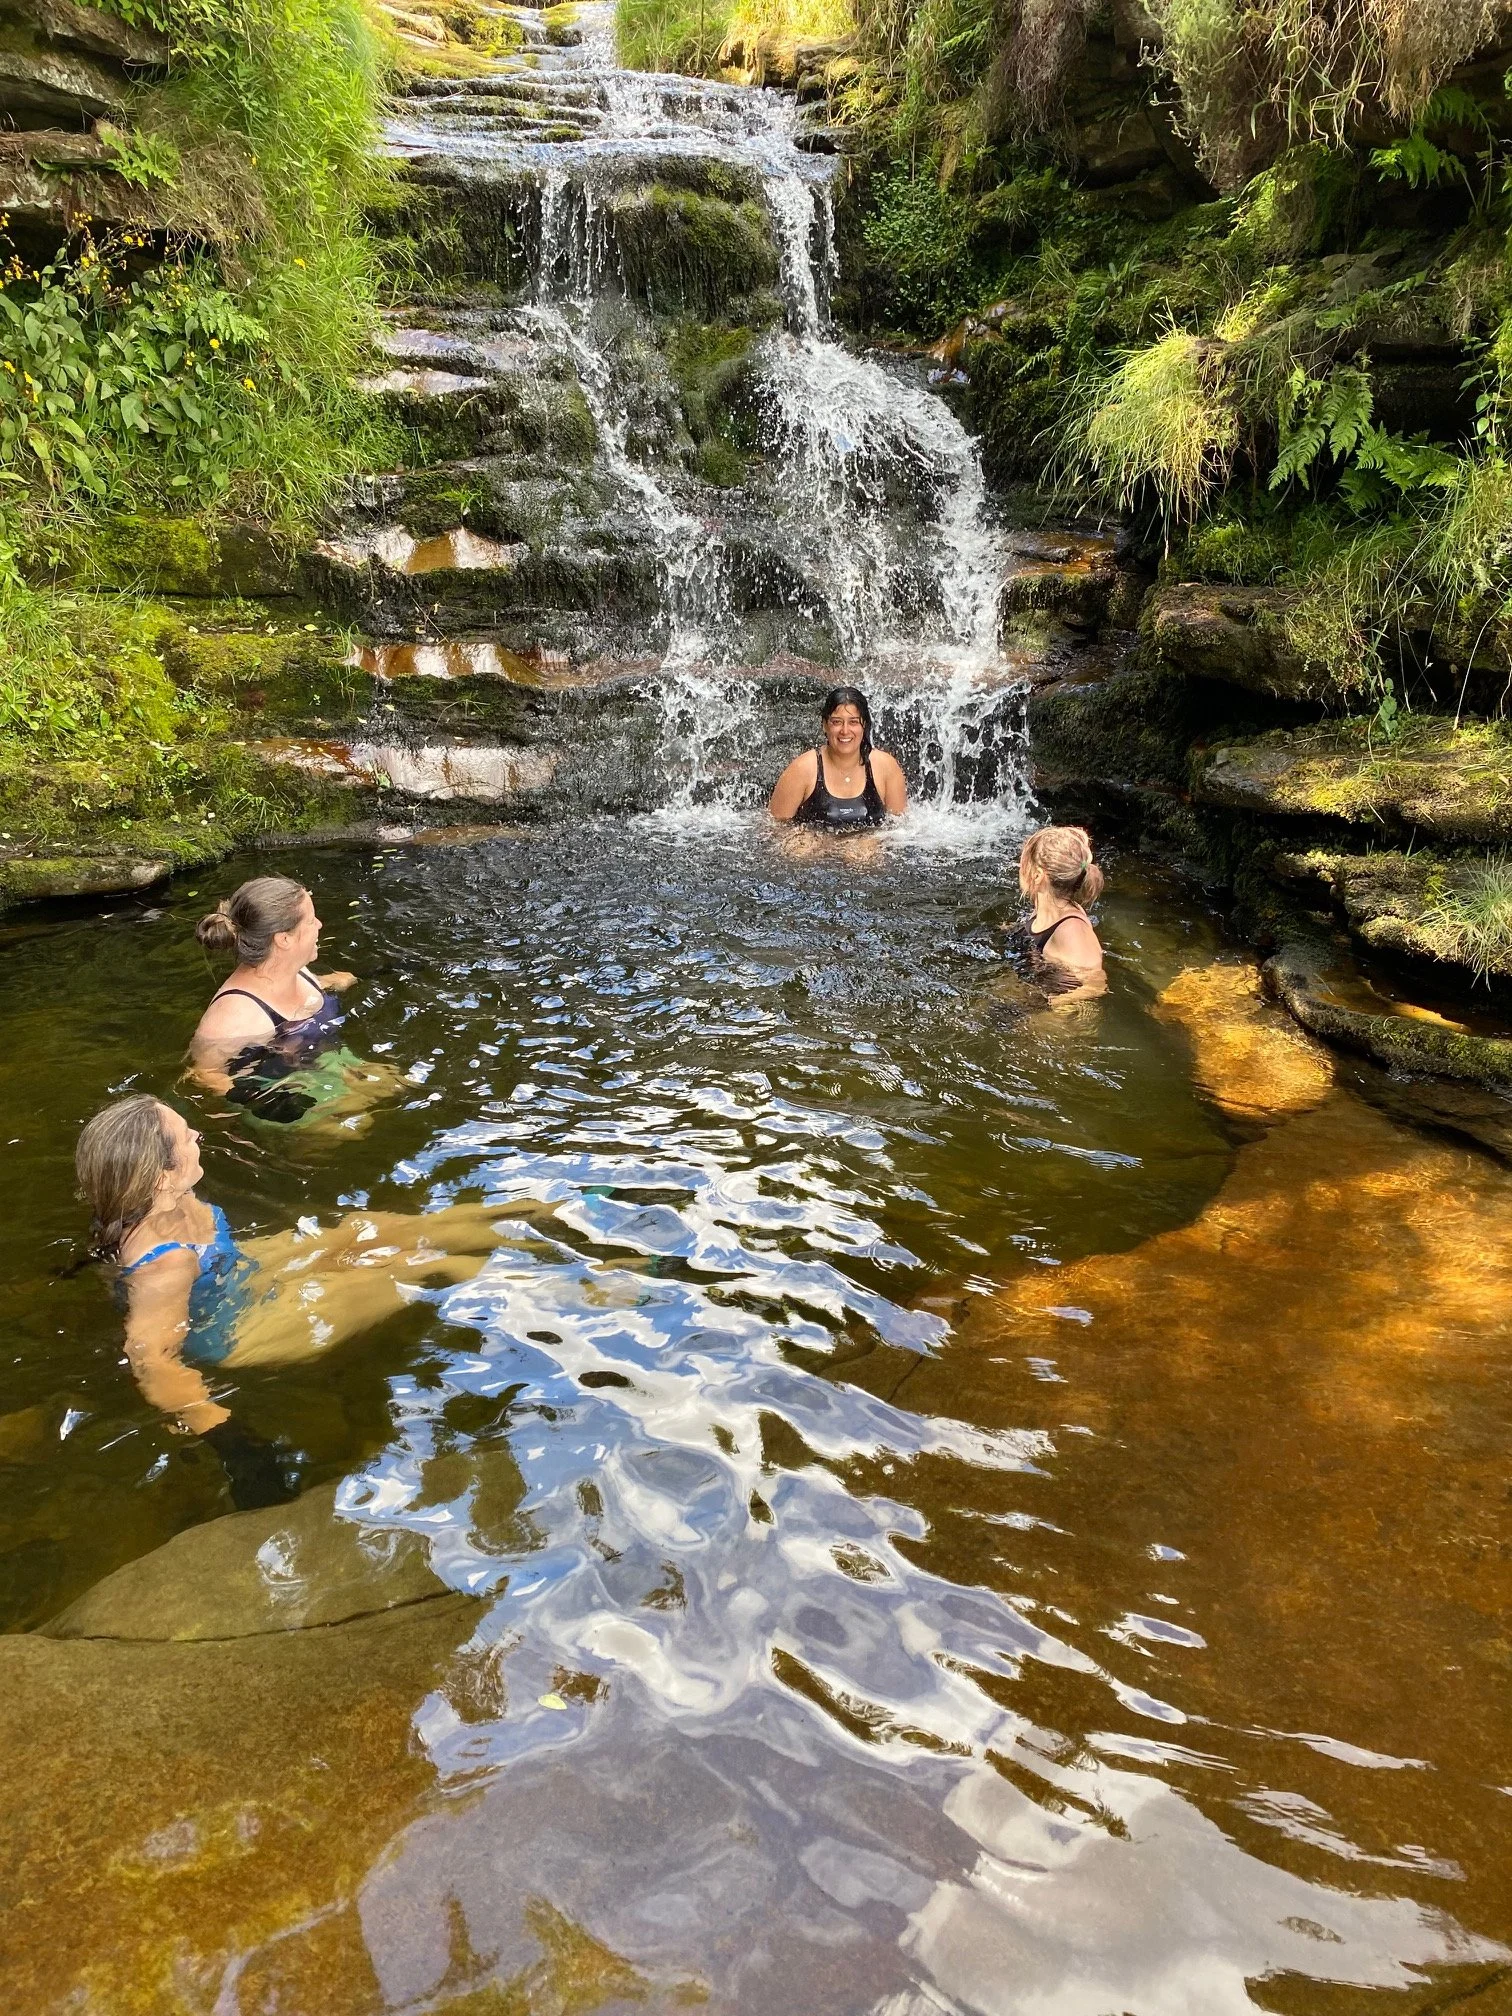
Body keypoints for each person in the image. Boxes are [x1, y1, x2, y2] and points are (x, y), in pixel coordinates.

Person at [76, 1095, 506, 1505]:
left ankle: (521, 1215)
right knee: (406, 1269)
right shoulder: (164, 1265)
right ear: (161, 1177)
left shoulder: (163, 1196)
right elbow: (150, 1359)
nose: (197, 1137)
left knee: (365, 1230)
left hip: (235, 1270)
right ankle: (520, 1272)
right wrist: (233, 1443)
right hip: (237, 1329)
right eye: (187, 1137)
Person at [188, 876, 382, 1126]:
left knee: (398, 1086)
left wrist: (352, 977)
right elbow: (204, 1074)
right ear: (284, 939)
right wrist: (272, 1107)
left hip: (328, 1060)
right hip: (283, 1091)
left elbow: (323, 984)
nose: (320, 924)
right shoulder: (232, 1018)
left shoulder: (301, 972)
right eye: (311, 921)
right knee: (362, 1127)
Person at [769, 687, 908, 830]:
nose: (845, 731)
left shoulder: (885, 767)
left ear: (864, 725)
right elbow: (774, 830)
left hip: (870, 845)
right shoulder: (802, 769)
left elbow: (900, 831)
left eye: (853, 722)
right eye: (837, 722)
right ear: (825, 725)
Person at [1018, 824, 1107, 999]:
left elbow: (1096, 985)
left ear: (1037, 875)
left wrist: (1053, 1006)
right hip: (1036, 986)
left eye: (1023, 863)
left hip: (1053, 1008)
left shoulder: (1072, 930)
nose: (1019, 867)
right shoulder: (1045, 909)